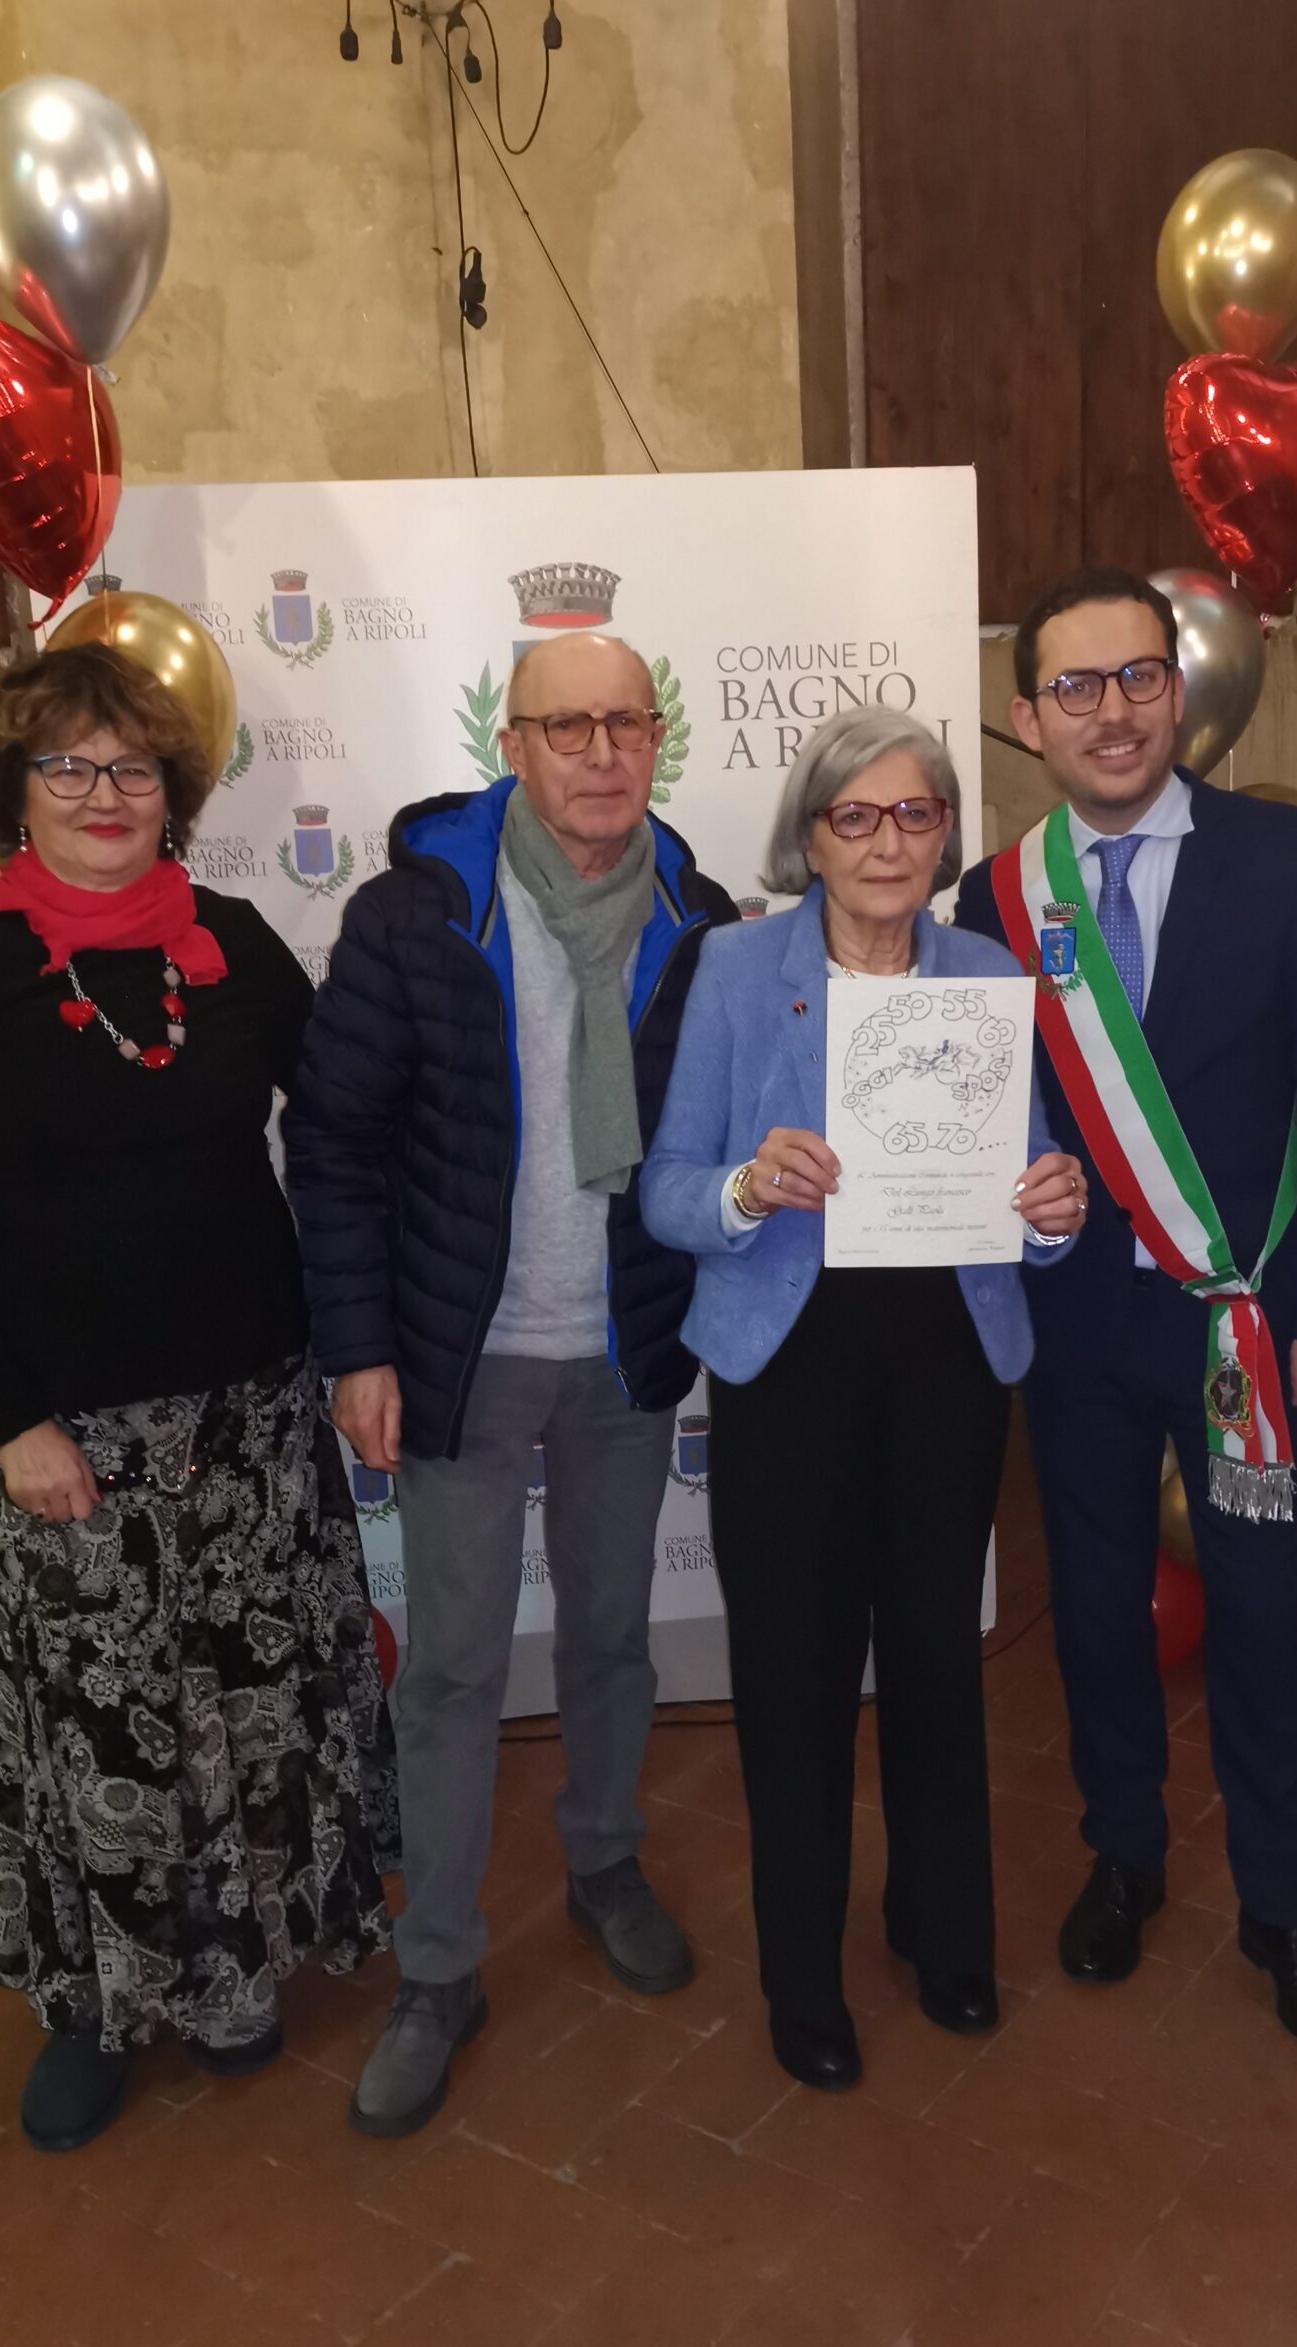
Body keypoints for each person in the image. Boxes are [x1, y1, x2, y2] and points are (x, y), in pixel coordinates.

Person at [0, 642, 391, 2154]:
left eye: (135, 768)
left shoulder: (231, 943)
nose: (105, 794)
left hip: (251, 1416)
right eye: (70, 766)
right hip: (67, 1432)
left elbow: (345, 1119)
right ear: (16, 788)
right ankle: (94, 2010)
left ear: (175, 791)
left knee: (246, 1709)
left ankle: (235, 1976)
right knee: (99, 1729)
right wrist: (12, 1417)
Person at [283, 631, 738, 2140]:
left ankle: (603, 1863)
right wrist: (360, 1349)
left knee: (611, 1641)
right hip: (458, 1361)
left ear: (656, 739)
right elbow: (335, 1146)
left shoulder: (699, 919)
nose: (602, 753)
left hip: (625, 1353)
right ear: (514, 744)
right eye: (567, 726)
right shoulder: (418, 914)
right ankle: (437, 1967)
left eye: (627, 723)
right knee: (457, 1673)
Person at [956, 566, 1297, 2050]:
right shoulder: (994, 900)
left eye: (1138, 677)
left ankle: (1284, 1903)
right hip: (1078, 1330)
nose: (1114, 712)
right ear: (1029, 717)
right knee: (1094, 1607)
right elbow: (990, 1116)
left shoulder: (1289, 862)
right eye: (1075, 687)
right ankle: (1126, 1858)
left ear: (1178, 688)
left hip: (1249, 1328)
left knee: (1263, 1613)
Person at [640, 708, 1088, 2090]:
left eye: (916, 814)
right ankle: (802, 1975)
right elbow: (666, 1192)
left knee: (938, 1662)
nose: (889, 842)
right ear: (813, 835)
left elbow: (1030, 1187)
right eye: (857, 815)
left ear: (946, 834)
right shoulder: (733, 970)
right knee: (797, 1676)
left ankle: (943, 1931)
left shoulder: (985, 974)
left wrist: (1054, 1211)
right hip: (790, 1370)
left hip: (950, 1365)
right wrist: (744, 1186)